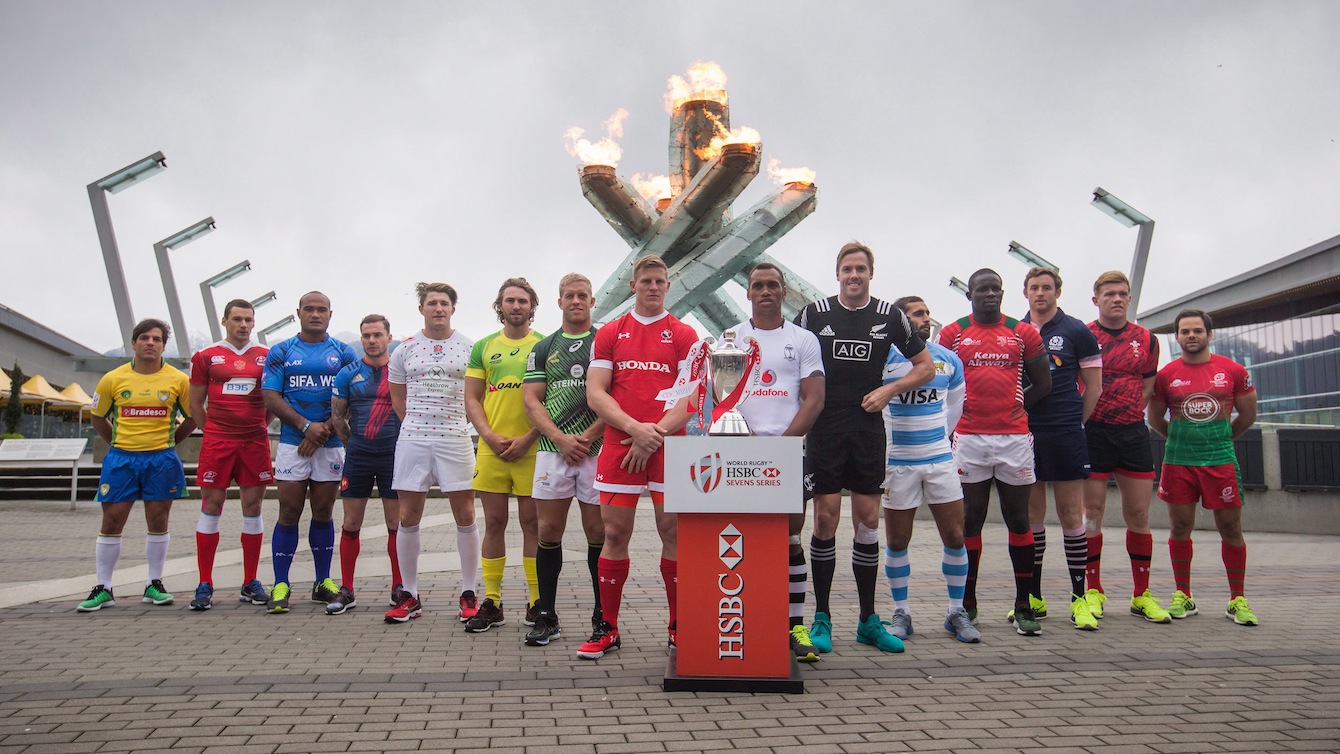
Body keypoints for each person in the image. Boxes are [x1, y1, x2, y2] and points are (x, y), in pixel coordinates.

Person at [794, 242, 933, 654]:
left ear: (871, 273)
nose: (854, 276)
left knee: (869, 521)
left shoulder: (889, 315)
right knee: (824, 521)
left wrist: (890, 390)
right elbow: (790, 361)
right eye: (847, 269)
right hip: (825, 426)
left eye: (861, 269)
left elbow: (925, 367)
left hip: (868, 427)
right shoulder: (814, 314)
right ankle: (822, 619)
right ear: (837, 273)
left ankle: (869, 620)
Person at [577, 254, 698, 660]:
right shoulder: (611, 332)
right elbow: (596, 393)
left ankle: (680, 628)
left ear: (668, 286)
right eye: (645, 280)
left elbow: (692, 398)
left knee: (674, 534)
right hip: (620, 444)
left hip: (668, 445)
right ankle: (607, 628)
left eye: (660, 281)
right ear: (633, 285)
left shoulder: (683, 333)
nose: (652, 286)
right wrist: (635, 430)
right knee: (613, 535)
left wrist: (655, 434)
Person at [939, 268, 1051, 636]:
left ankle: (1023, 605)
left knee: (1018, 520)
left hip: (1014, 439)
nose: (990, 294)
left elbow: (1043, 383)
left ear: (1003, 294)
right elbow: (944, 384)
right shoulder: (953, 333)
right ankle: (967, 603)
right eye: (982, 289)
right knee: (971, 519)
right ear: (969, 294)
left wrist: (1014, 409)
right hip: (969, 439)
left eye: (995, 289)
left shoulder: (1024, 332)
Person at [731, 263, 826, 661]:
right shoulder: (731, 338)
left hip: (789, 452)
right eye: (758, 285)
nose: (765, 291)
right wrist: (745, 438)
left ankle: (794, 625)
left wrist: (785, 446)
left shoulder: (803, 339)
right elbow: (721, 397)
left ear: (783, 292)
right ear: (748, 293)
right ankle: (752, 622)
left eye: (772, 285)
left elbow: (814, 398)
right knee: (745, 537)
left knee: (789, 534)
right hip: (740, 453)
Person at [1148, 309, 1258, 626]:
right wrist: (1182, 440)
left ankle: (1238, 599)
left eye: (1198, 330)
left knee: (1231, 529)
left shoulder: (1233, 370)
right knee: (1180, 528)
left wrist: (1222, 439)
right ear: (1178, 337)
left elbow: (1247, 416)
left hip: (1220, 461)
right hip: (1179, 462)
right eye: (1185, 331)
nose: (1192, 336)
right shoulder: (1166, 375)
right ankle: (1183, 596)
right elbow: (1155, 419)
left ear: (1210, 335)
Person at [79, 318, 196, 611]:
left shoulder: (179, 380)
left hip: (161, 459)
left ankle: (153, 583)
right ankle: (103, 587)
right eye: (144, 338)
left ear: (163, 347)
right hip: (121, 459)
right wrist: (118, 443)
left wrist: (171, 442)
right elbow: (97, 416)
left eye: (157, 339)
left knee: (158, 522)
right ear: (133, 343)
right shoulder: (113, 379)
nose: (150, 343)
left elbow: (193, 417)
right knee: (112, 521)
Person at [882, 296, 979, 644]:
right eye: (916, 314)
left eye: (926, 312)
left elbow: (953, 410)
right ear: (902, 322)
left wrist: (936, 444)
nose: (925, 318)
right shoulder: (884, 359)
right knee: (897, 541)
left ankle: (956, 611)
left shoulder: (948, 360)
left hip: (939, 460)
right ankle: (902, 612)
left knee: (955, 536)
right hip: (897, 464)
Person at [384, 282, 481, 624]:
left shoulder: (471, 348)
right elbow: (398, 400)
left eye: (444, 303)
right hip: (413, 438)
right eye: (432, 303)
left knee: (465, 514)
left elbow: (477, 398)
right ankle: (409, 594)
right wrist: (418, 424)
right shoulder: (404, 349)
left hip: (455, 438)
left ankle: (469, 592)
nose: (438, 308)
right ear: (421, 309)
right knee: (407, 517)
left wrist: (460, 424)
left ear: (453, 308)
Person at [521, 273, 607, 646]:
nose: (576, 301)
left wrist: (589, 437)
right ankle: (547, 616)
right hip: (552, 453)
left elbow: (616, 398)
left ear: (592, 302)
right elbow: (531, 400)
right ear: (559, 302)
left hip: (596, 451)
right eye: (569, 295)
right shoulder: (544, 347)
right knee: (548, 533)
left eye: (583, 295)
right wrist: (558, 437)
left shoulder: (605, 343)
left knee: (600, 534)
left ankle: (603, 616)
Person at [260, 292, 357, 614]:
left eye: (321, 310)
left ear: (330, 314)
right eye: (309, 309)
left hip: (329, 443)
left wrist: (322, 430)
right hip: (292, 443)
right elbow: (271, 395)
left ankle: (321, 582)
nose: (315, 314)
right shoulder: (282, 350)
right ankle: (281, 583)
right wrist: (304, 427)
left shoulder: (343, 353)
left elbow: (349, 397)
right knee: (288, 512)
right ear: (298, 313)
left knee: (324, 512)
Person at [1082, 271, 1170, 623]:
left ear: (1129, 298)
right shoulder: (1084, 334)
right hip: (1093, 432)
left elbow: (1148, 385)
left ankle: (1141, 594)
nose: (1116, 299)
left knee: (1139, 515)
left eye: (1122, 294)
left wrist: (1127, 408)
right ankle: (1092, 590)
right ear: (1096, 299)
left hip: (1132, 433)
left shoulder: (1146, 339)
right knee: (1092, 515)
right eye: (1109, 293)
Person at [1019, 268, 1104, 631]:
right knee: (1031, 517)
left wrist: (1075, 423)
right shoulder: (1016, 330)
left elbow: (1094, 389)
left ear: (1058, 292)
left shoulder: (1077, 331)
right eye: (1034, 288)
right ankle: (1033, 597)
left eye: (1047, 288)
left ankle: (1079, 598)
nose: (1041, 293)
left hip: (1066, 432)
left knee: (1071, 515)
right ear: (1025, 293)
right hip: (1025, 433)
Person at [462, 278, 545, 633]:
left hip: (533, 448)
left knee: (533, 525)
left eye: (522, 301)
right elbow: (472, 399)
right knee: (494, 523)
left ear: (532, 306)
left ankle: (537, 602)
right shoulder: (483, 346)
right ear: (500, 306)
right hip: (493, 449)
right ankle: (492, 601)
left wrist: (529, 437)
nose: (516, 306)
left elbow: (553, 400)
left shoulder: (545, 345)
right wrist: (488, 436)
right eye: (510, 300)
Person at [188, 300, 273, 611]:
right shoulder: (206, 356)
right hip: (218, 443)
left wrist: (256, 428)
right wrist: (212, 433)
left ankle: (250, 581)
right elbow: (195, 404)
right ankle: (204, 582)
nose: (243, 325)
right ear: (225, 321)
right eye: (237, 319)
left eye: (248, 319)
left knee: (254, 506)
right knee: (212, 506)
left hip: (254, 443)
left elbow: (272, 402)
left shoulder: (266, 356)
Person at [326, 314, 403, 615]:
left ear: (388, 336)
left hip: (394, 456)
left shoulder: (400, 369)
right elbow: (337, 417)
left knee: (395, 524)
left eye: (377, 335)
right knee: (351, 524)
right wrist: (352, 444)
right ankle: (347, 589)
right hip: (358, 455)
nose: (372, 340)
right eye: (366, 336)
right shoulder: (348, 373)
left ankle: (400, 586)